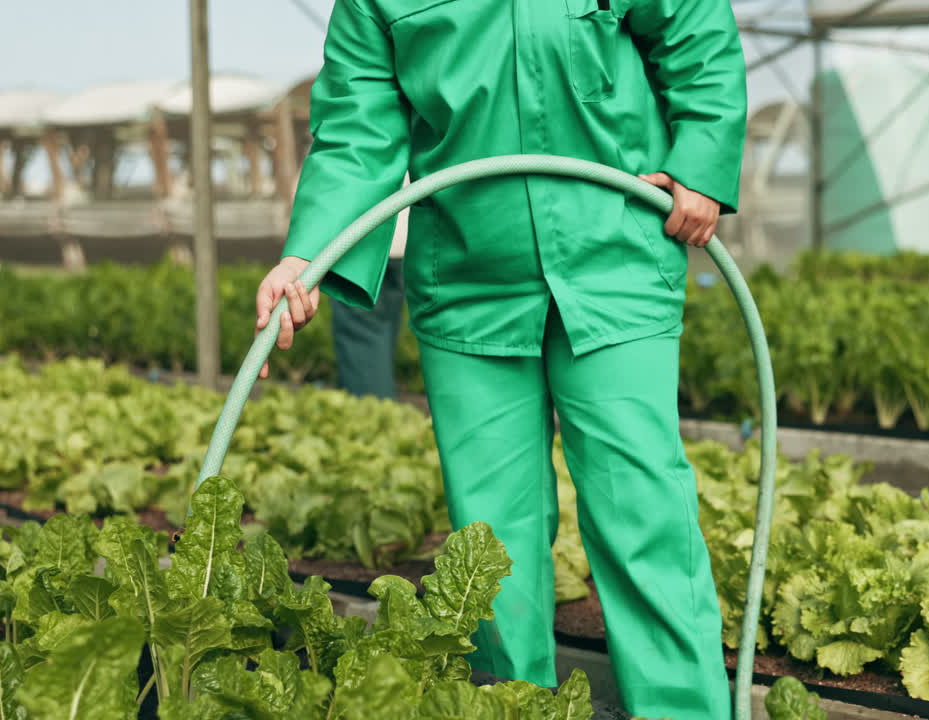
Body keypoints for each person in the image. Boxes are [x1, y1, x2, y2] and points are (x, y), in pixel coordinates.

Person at [255, 1, 746, 718]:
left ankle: (683, 712)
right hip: (467, 279)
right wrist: (306, 253)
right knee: (491, 539)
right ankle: (512, 705)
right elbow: (359, 124)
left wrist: (701, 158)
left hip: (616, 257)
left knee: (641, 506)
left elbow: (693, 28)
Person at [329, 179, 409, 400]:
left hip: (360, 240)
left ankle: (374, 425)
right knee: (381, 339)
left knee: (363, 346)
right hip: (403, 236)